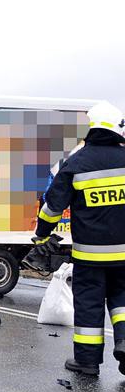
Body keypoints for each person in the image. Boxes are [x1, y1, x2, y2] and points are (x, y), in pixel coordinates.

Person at [33, 101, 125, 377]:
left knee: (89, 304)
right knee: (122, 299)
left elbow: (52, 207)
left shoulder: (77, 163)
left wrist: (42, 234)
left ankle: (87, 361)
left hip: (90, 256)